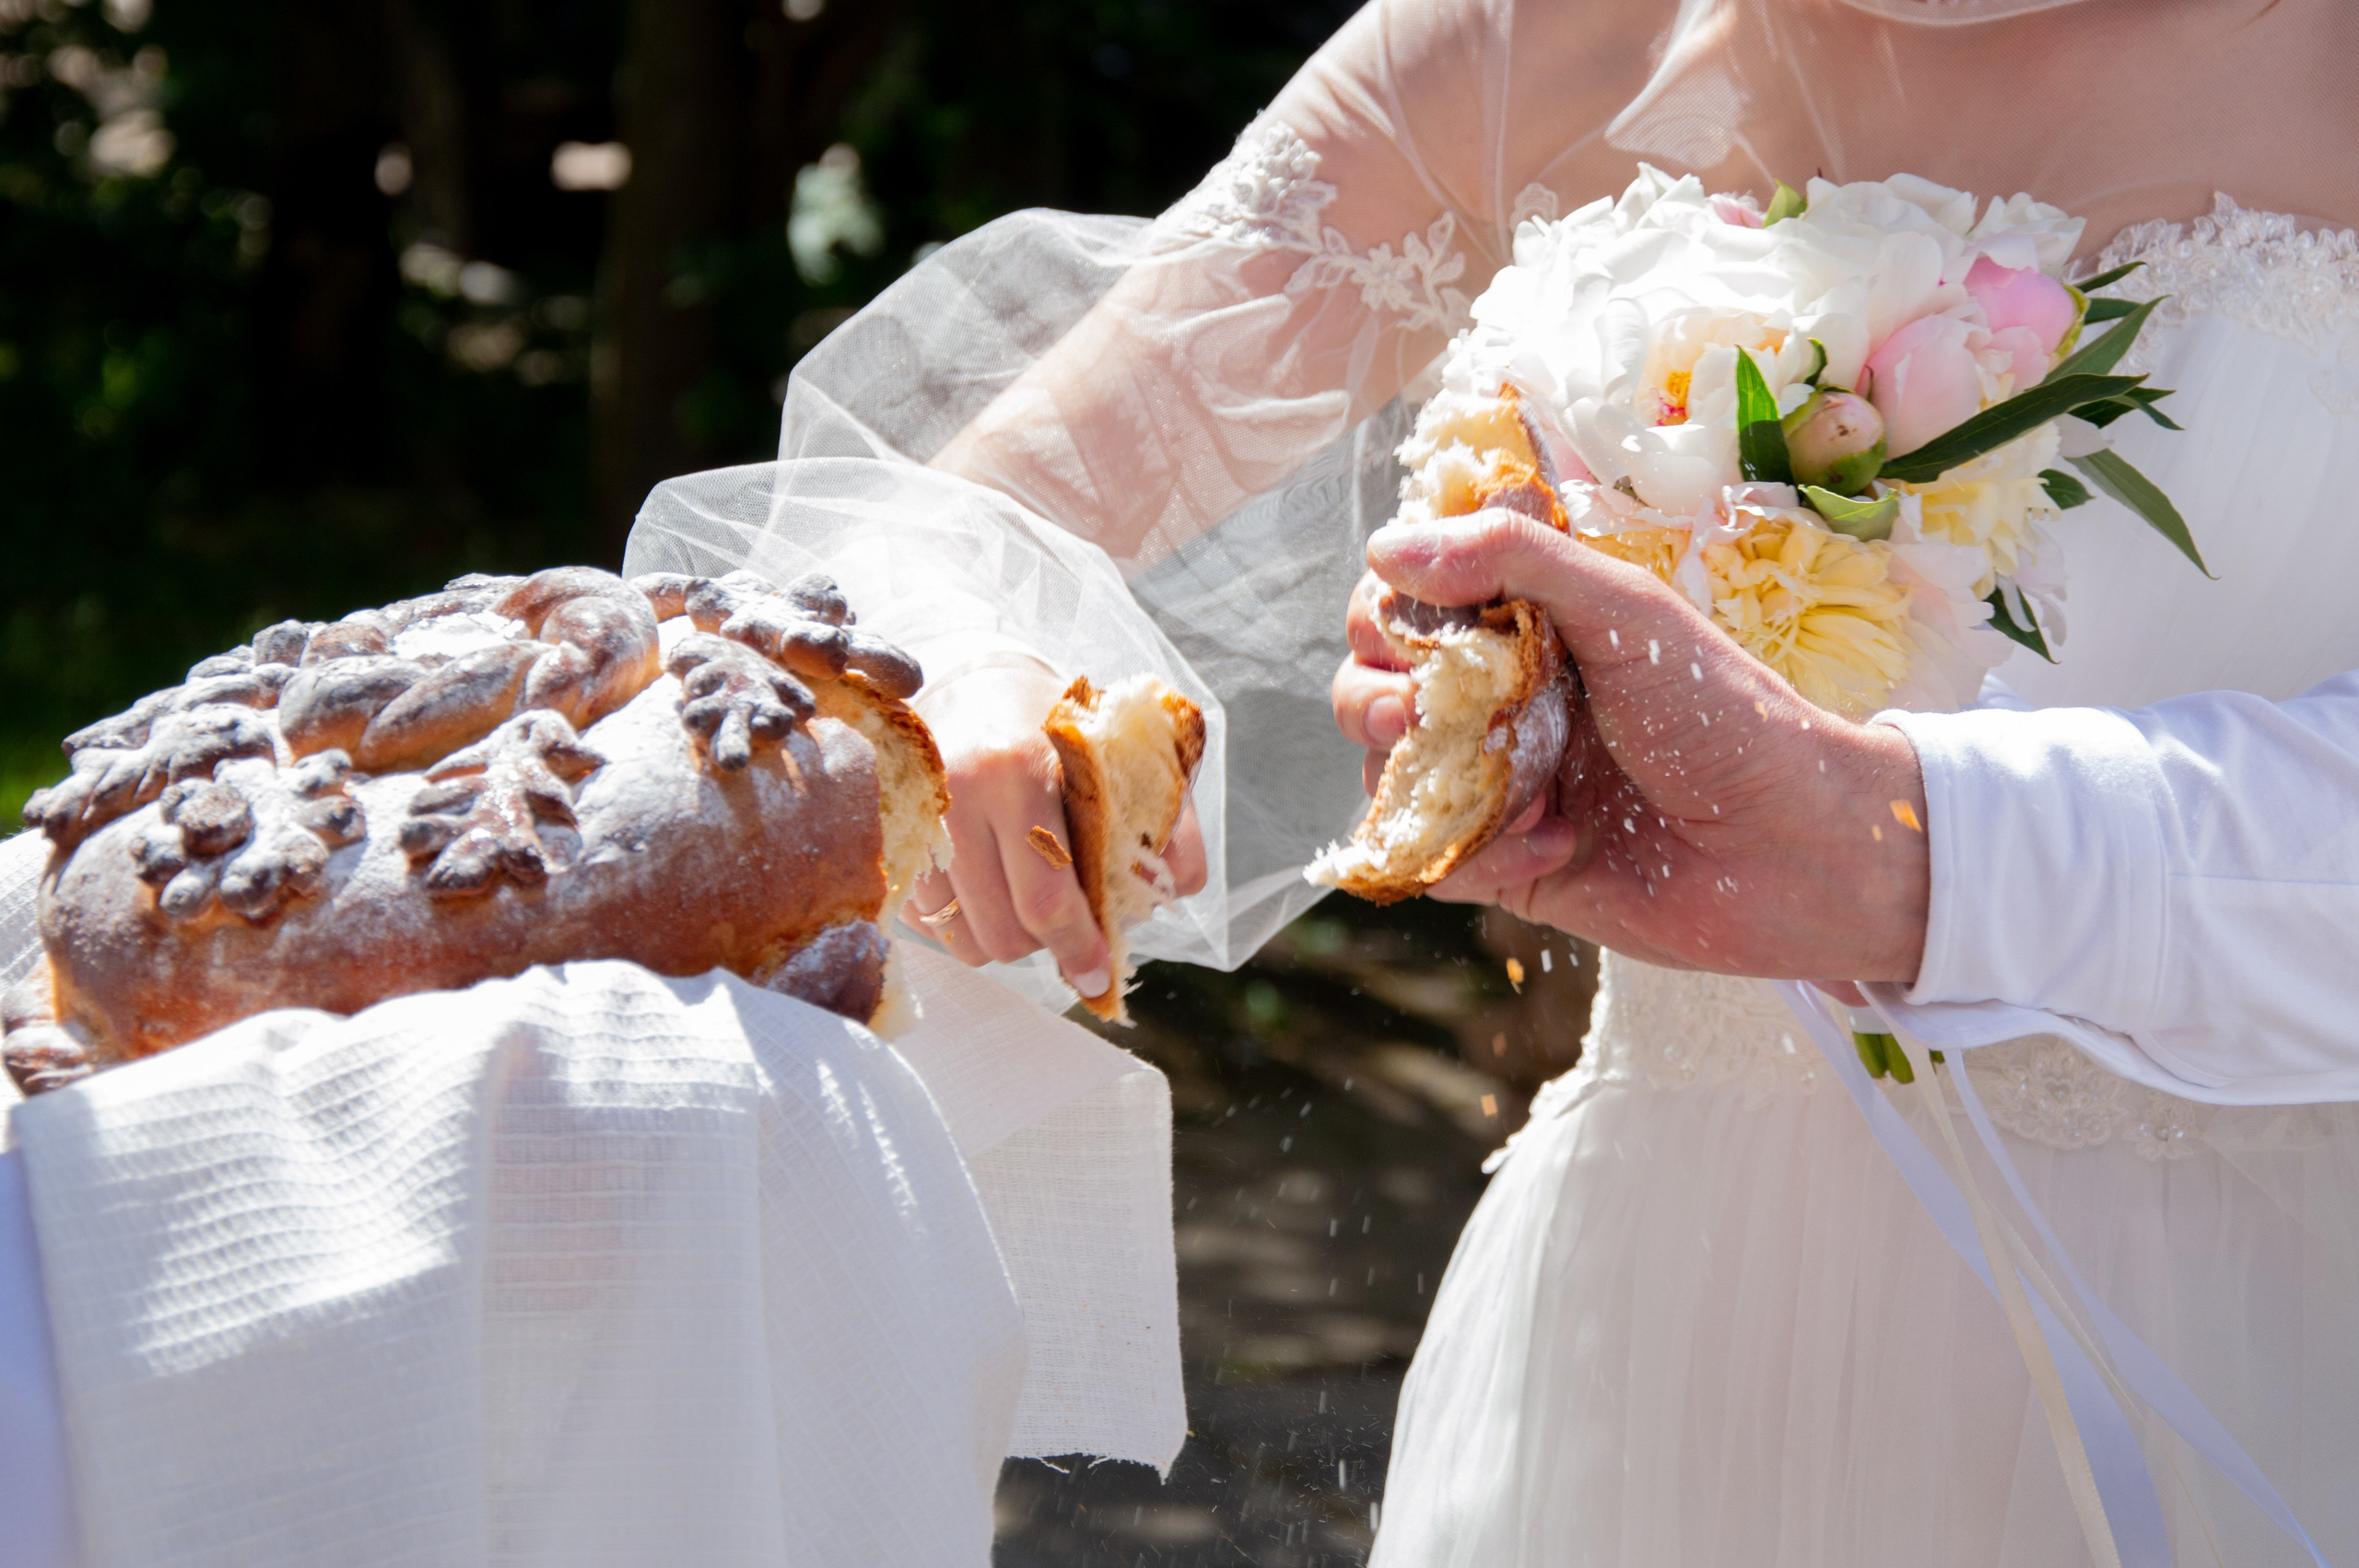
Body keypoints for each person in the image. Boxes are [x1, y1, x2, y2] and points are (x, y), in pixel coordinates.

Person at [624, 0, 2359, 1559]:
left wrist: (1901, 846)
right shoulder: (1545, 33)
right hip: (1652, 1324)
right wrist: (981, 661)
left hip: (2268, 1328)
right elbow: (945, 518)